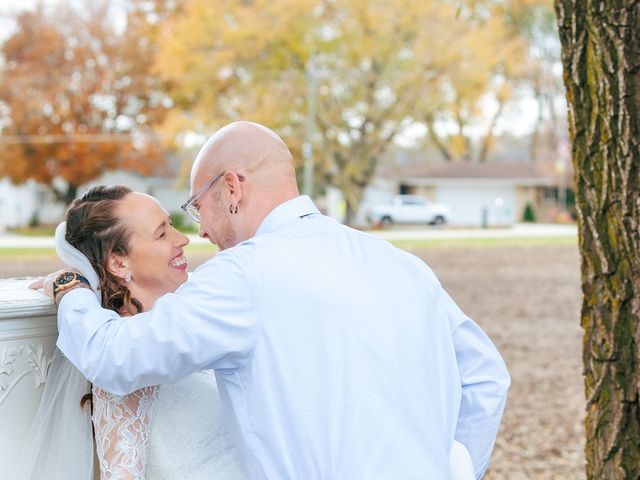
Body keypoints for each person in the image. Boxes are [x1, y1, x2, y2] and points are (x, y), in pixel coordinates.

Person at [52, 121, 510, 479]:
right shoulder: (401, 264)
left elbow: (116, 356)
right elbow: (486, 376)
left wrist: (71, 292)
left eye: (197, 207)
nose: (201, 231)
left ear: (231, 187)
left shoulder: (242, 276)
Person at [19, 186, 245, 480]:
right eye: (162, 233)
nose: (183, 239)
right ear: (118, 262)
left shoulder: (189, 317)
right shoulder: (124, 355)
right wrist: (71, 287)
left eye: (172, 225)